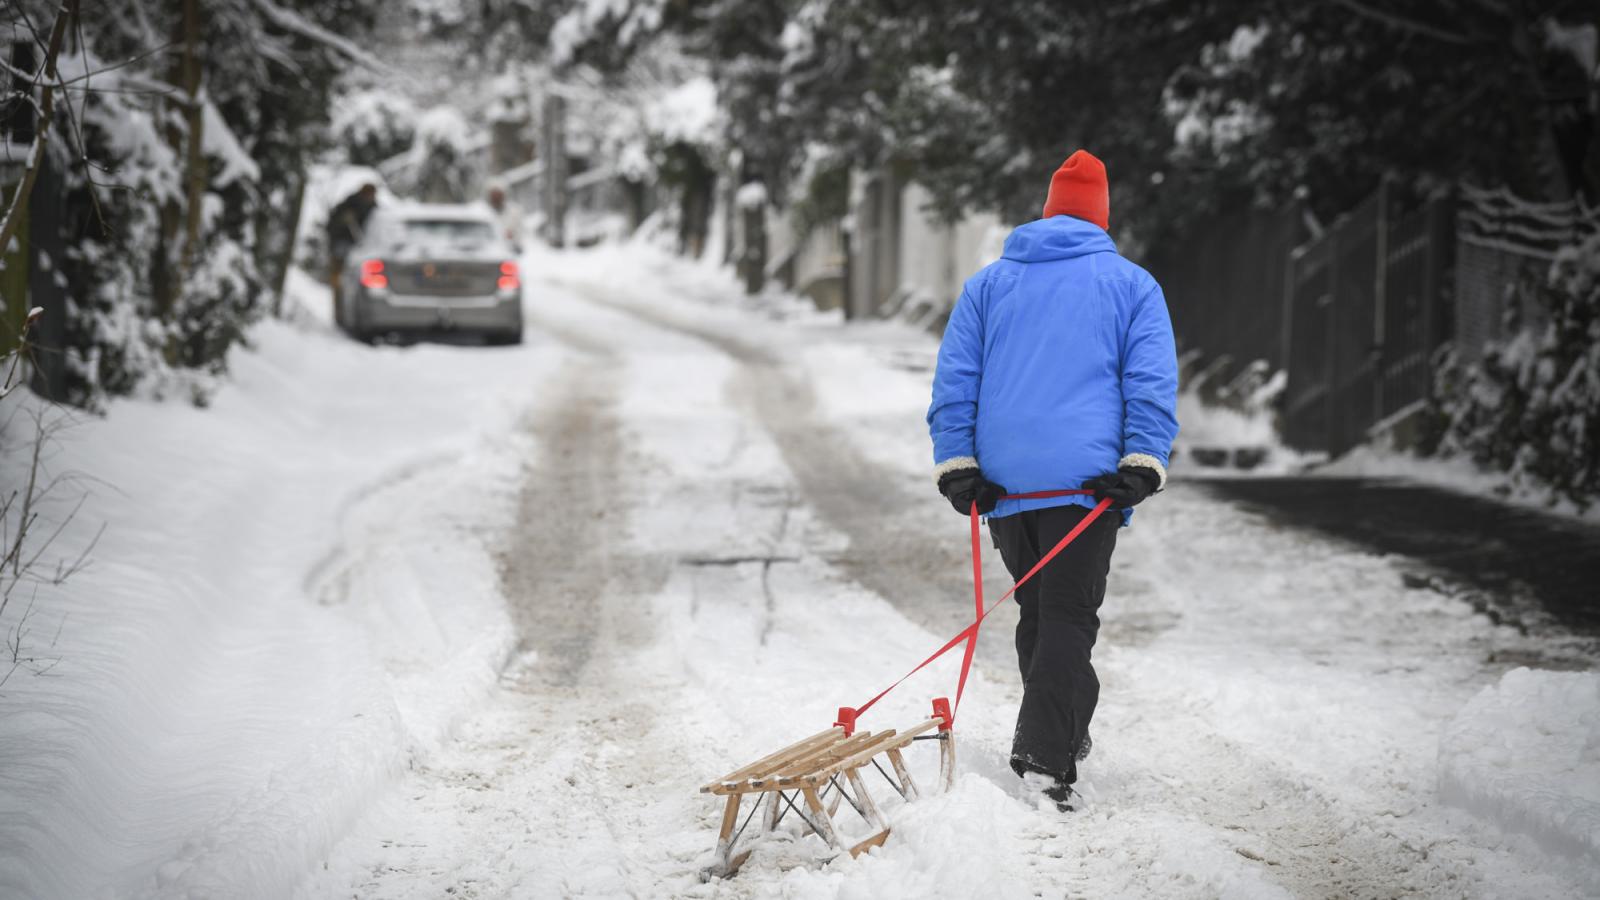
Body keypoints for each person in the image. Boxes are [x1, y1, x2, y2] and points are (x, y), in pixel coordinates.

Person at [925, 149, 1179, 811]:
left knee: (1041, 614)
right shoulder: (1132, 285)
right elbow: (1148, 383)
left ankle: (1061, 732)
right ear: (1101, 215)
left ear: (1046, 211)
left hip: (1006, 487)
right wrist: (1142, 463)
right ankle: (1044, 757)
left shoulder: (988, 286)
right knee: (1068, 617)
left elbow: (956, 381)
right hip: (1086, 484)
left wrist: (959, 467)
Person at [326, 183, 379, 316]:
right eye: (369, 195)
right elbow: (332, 224)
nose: (371, 197)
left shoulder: (374, 209)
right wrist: (343, 221)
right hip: (342, 245)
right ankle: (339, 310)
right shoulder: (348, 204)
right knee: (339, 279)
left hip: (363, 249)